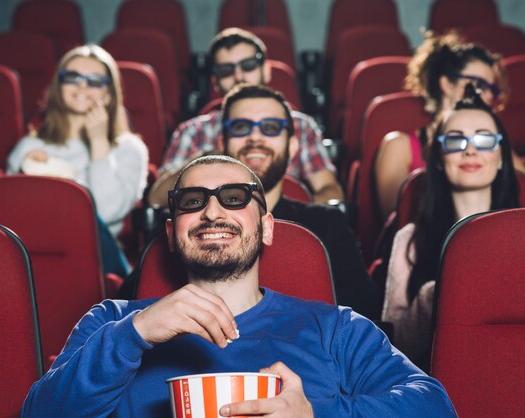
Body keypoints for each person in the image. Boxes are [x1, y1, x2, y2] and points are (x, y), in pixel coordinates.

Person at [22, 155, 457, 417]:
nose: (213, 212)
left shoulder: (335, 328)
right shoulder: (113, 322)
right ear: (171, 234)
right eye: (193, 202)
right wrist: (134, 334)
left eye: (234, 198)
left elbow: (435, 408)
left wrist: (319, 413)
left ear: (266, 228)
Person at [382, 85, 520, 371]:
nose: (470, 150)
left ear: (502, 158)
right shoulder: (410, 239)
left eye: (484, 140)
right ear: (440, 160)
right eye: (455, 141)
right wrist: (435, 295)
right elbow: (394, 345)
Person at [220, 83, 380, 319]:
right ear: (222, 144)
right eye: (241, 127)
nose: (255, 137)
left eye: (271, 127)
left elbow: (364, 318)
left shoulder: (326, 225)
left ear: (292, 146)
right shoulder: (197, 226)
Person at [147, 27, 343, 207]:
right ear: (214, 81)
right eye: (226, 70)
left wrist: (291, 211)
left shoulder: (301, 126)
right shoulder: (192, 131)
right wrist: (209, 157)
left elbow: (330, 191)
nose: (239, 76)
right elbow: (157, 200)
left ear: (265, 71)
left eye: (248, 66)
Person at [6, 44, 148, 276]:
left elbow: (107, 211)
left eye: (94, 81)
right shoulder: (30, 147)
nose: (82, 86)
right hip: (34, 252)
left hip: (98, 259)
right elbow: (13, 219)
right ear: (58, 86)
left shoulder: (129, 149)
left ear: (108, 93)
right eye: (72, 77)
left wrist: (99, 141)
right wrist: (27, 177)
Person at [374, 31, 518, 220]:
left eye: (491, 88)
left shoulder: (493, 145)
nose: (489, 96)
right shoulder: (400, 145)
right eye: (477, 85)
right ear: (447, 84)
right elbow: (397, 218)